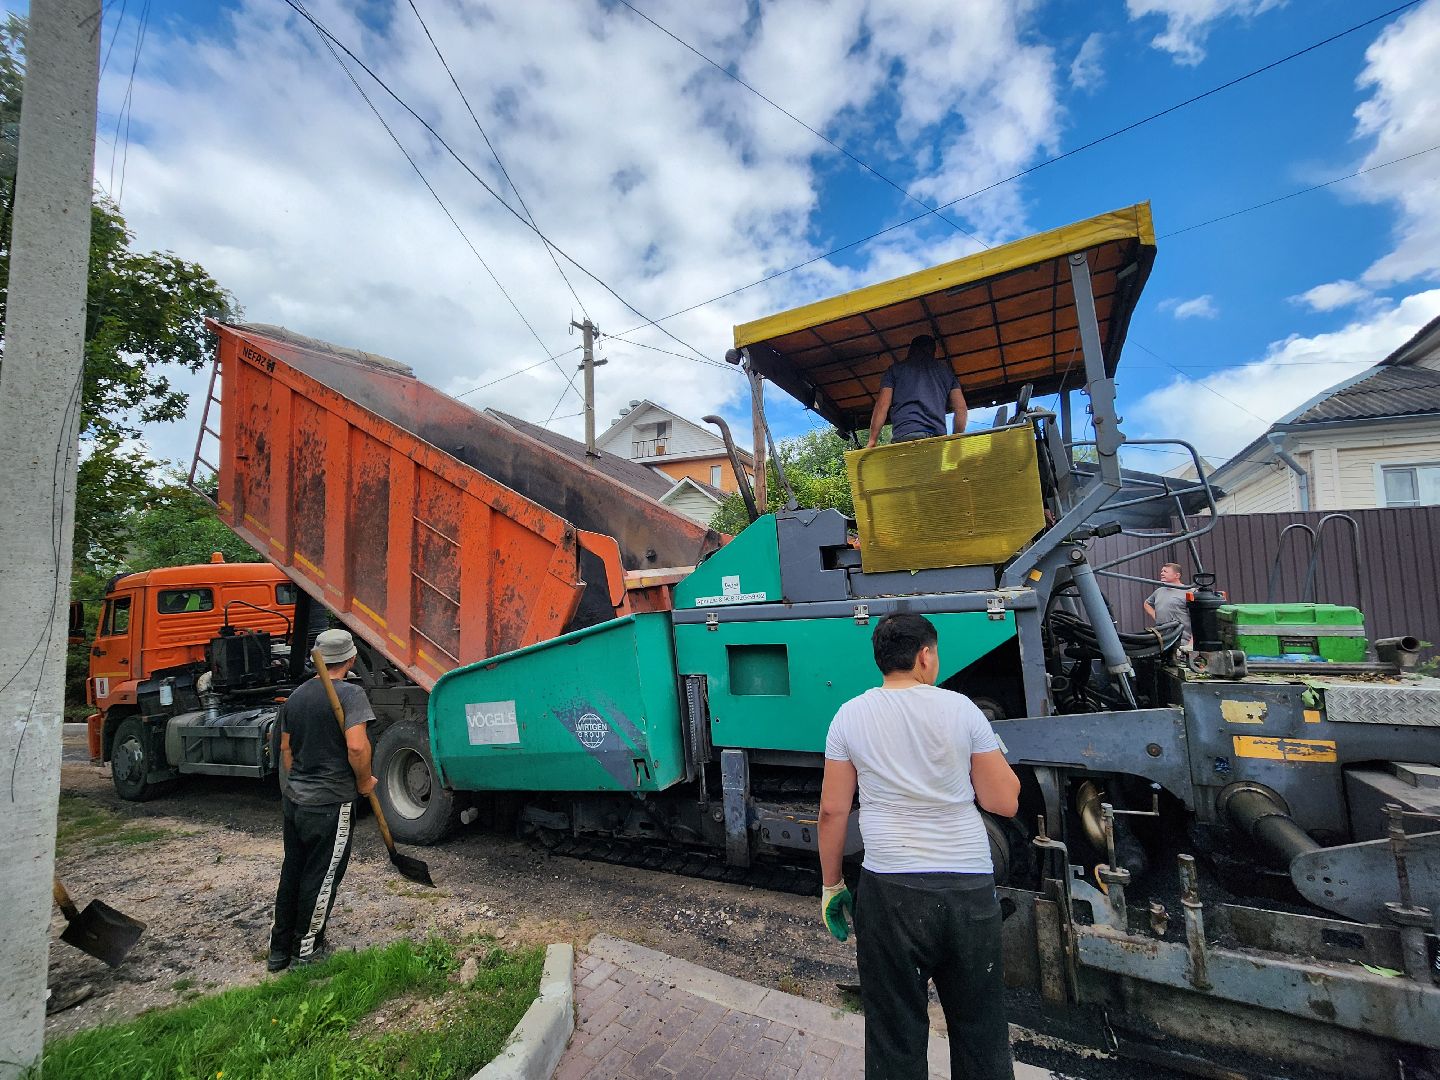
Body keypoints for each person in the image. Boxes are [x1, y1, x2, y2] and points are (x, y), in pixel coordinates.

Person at [818, 613, 1021, 1079]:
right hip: (968, 891)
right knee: (981, 1034)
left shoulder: (849, 715)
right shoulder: (962, 710)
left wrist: (832, 885)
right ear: (925, 656)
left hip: (890, 895)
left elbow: (832, 812)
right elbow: (1002, 801)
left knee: (895, 1039)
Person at [267, 628, 376, 972]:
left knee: (294, 871)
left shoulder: (296, 696)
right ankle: (306, 950)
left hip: (296, 801)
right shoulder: (350, 695)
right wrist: (364, 782)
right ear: (351, 659)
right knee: (323, 875)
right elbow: (357, 746)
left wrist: (299, 781)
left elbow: (286, 750)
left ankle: (279, 949)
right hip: (330, 802)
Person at [865, 334, 969, 447]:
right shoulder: (947, 373)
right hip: (935, 440)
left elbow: (882, 405)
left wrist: (872, 440)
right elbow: (961, 409)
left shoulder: (895, 370)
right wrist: (955, 441)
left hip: (904, 435)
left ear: (911, 350)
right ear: (934, 352)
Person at [1144, 562, 1192, 647]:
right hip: (1162, 641)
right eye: (1162, 571)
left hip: (1182, 642)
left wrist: (1191, 644)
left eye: (1165, 571)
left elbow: (1197, 621)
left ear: (1177, 575)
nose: (1162, 573)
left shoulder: (1188, 592)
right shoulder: (1159, 591)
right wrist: (1156, 616)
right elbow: (1147, 603)